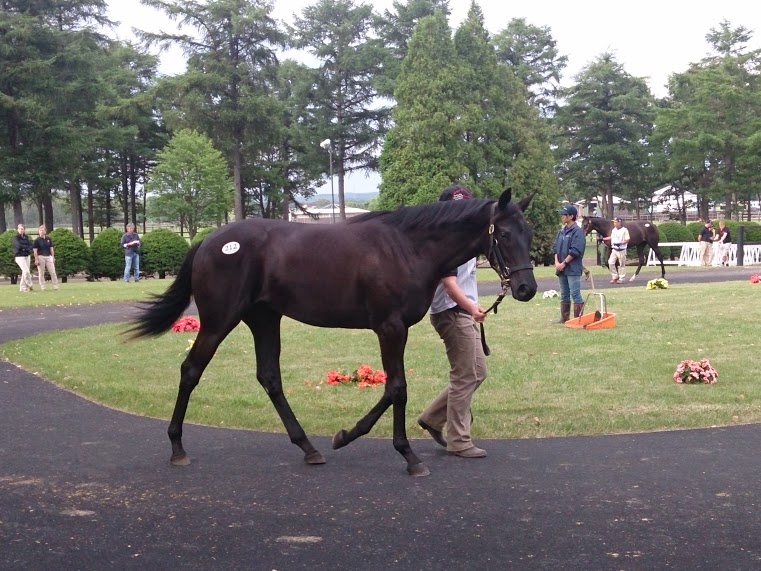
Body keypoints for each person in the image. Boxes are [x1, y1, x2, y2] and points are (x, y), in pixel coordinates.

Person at [417, 185, 488, 459]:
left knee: (478, 372)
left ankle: (433, 417)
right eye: (457, 207)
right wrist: (471, 307)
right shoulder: (444, 240)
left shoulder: (464, 238)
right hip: (451, 311)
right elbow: (449, 284)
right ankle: (459, 440)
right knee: (465, 375)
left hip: (461, 311)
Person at [553, 204, 586, 322]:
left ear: (571, 216)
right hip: (561, 268)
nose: (562, 216)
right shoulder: (561, 232)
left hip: (573, 268)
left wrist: (564, 263)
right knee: (564, 293)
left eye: (564, 214)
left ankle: (578, 319)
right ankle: (564, 318)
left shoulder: (578, 232)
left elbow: (576, 250)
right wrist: (557, 263)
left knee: (575, 293)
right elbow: (555, 248)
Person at [602, 217, 630, 283]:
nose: (614, 223)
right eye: (614, 222)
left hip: (621, 250)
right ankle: (615, 276)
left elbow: (627, 239)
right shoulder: (614, 230)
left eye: (616, 222)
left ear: (619, 222)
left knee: (621, 264)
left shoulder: (624, 230)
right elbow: (611, 237)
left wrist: (620, 243)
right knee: (610, 262)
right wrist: (603, 239)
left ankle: (621, 278)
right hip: (614, 249)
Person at [33, 224, 60, 290]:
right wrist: (36, 259)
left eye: (43, 230)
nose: (41, 231)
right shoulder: (37, 240)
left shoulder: (49, 239)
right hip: (40, 256)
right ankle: (43, 286)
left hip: (48, 256)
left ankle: (55, 285)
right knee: (41, 273)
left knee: (52, 272)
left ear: (45, 231)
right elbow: (35, 251)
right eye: (40, 230)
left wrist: (53, 257)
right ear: (38, 231)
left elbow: (51, 249)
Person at [11, 223, 35, 292]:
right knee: (26, 271)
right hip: (19, 257)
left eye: (22, 229)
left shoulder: (26, 237)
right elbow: (18, 246)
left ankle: (22, 287)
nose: (21, 230)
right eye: (19, 229)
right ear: (17, 230)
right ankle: (30, 285)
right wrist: (26, 248)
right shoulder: (15, 238)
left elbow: (31, 245)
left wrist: (27, 249)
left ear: (24, 230)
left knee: (24, 272)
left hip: (27, 256)